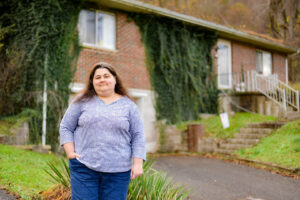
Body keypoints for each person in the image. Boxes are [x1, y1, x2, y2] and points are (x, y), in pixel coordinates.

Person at [59, 62, 146, 200]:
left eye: (106, 76)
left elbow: (138, 135)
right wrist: (70, 153)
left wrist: (138, 164)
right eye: (97, 77)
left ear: (115, 79)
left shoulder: (129, 106)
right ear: (92, 82)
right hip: (84, 167)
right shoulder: (81, 101)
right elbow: (66, 127)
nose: (102, 79)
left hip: (118, 172)